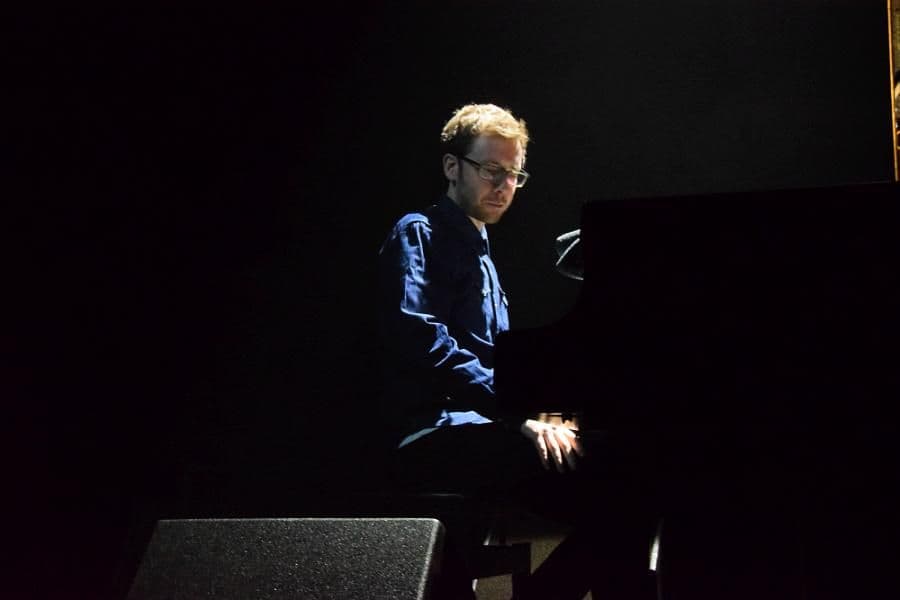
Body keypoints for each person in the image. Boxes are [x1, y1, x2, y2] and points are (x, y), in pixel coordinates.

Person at [377, 103, 655, 599]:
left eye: (514, 174)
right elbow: (421, 339)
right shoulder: (420, 231)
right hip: (436, 432)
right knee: (623, 479)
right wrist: (521, 415)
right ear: (452, 166)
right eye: (492, 170)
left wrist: (553, 415)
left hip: (491, 426)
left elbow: (507, 372)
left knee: (632, 468)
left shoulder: (485, 257)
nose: (504, 185)